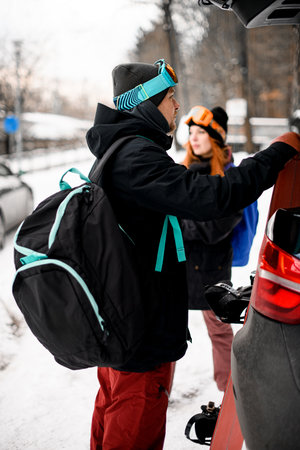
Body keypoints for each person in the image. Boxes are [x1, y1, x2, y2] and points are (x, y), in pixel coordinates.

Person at [86, 58, 300, 450]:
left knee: (113, 408)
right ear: (147, 105)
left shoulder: (116, 153)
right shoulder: (135, 158)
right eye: (170, 98)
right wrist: (276, 154)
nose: (177, 107)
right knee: (133, 424)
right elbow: (215, 198)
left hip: (121, 321)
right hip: (139, 332)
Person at [181, 105, 243, 392]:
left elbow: (215, 228)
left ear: (216, 137)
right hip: (180, 267)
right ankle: (159, 389)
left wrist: (181, 226)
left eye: (201, 132)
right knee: (166, 331)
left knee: (219, 330)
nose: (194, 138)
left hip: (212, 268)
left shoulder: (228, 178)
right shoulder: (182, 172)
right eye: (190, 132)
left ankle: (230, 390)